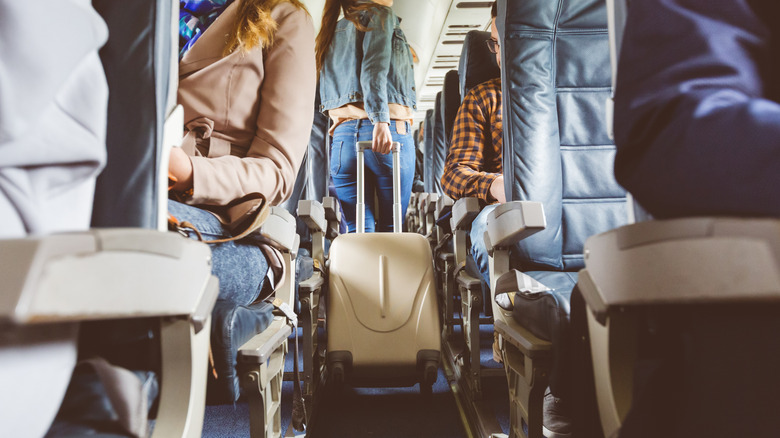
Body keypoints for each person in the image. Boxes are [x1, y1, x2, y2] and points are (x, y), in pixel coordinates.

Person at [168, 0, 316, 315]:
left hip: (228, 222)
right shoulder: (142, 13)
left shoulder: (284, 16)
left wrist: (190, 172)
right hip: (134, 187)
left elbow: (277, 170)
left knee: (135, 241)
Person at [316, 0, 417, 233]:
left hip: (342, 140)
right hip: (386, 133)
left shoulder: (331, 29)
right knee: (392, 230)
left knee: (358, 230)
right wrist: (380, 120)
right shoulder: (381, 14)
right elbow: (373, 67)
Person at [441, 1, 504, 288]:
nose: (499, 55)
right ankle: (513, 316)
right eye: (494, 44)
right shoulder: (483, 98)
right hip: (502, 206)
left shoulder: (578, 92)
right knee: (490, 229)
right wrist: (492, 185)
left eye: (503, 43)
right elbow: (454, 174)